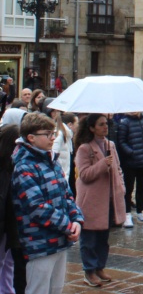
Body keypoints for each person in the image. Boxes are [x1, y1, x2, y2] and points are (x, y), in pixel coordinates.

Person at [12, 113, 84, 294]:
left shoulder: (51, 161)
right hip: (39, 243)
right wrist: (67, 226)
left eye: (53, 133)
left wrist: (76, 219)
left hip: (60, 239)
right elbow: (36, 206)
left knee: (56, 289)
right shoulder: (23, 165)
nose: (53, 138)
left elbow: (67, 195)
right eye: (48, 134)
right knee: (38, 289)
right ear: (31, 137)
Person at [74, 114, 127, 287]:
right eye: (101, 124)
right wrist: (103, 164)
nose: (105, 127)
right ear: (91, 128)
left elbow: (118, 168)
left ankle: (99, 267)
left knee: (104, 237)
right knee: (89, 238)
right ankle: (89, 271)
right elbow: (84, 175)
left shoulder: (110, 145)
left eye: (106, 124)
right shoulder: (84, 148)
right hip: (91, 200)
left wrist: (121, 186)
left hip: (109, 199)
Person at [0, 124, 23, 294]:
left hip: (10, 224)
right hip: (4, 224)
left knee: (8, 262)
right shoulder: (5, 166)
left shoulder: (12, 165)